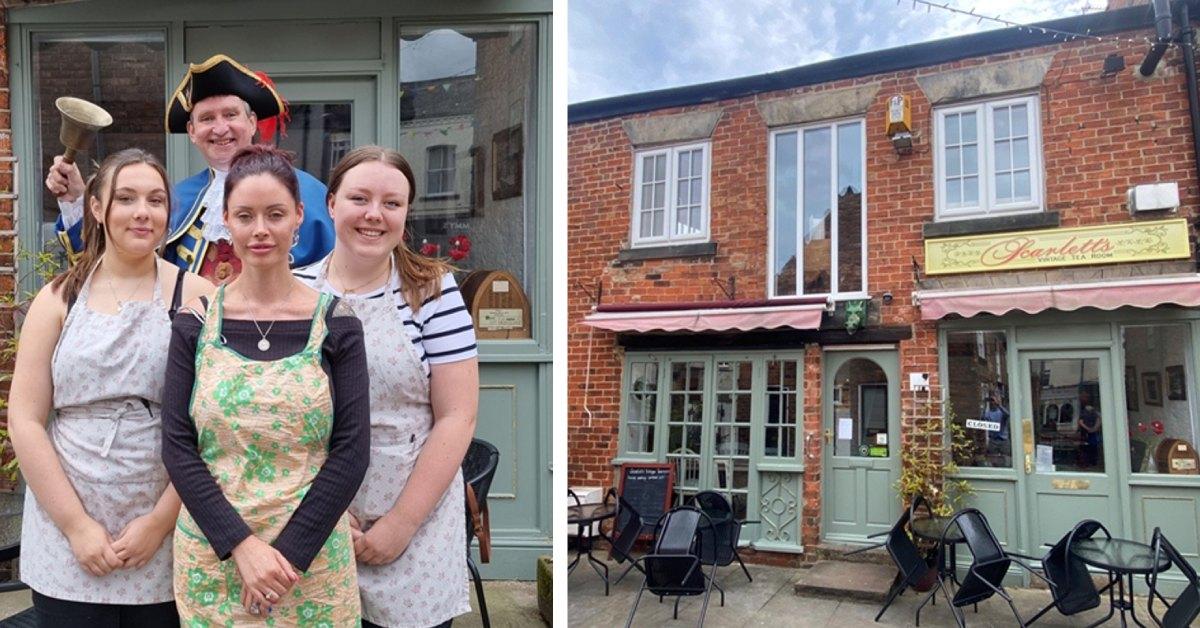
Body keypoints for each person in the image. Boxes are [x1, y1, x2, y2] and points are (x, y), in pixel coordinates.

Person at [161, 145, 369, 625]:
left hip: (312, 563)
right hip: (215, 561)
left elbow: (352, 451)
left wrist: (287, 559)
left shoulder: (337, 325)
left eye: (275, 214)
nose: (260, 230)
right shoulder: (194, 324)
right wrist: (243, 548)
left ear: (298, 216)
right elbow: (177, 446)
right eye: (245, 215)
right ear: (225, 221)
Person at [8, 148, 211, 626]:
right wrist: (77, 526)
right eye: (126, 198)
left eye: (156, 200)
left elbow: (212, 423)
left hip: (164, 519)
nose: (143, 212)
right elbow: (26, 419)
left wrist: (160, 522)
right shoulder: (58, 298)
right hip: (67, 524)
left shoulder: (198, 296)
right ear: (97, 209)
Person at [294, 146, 479, 628]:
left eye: (392, 203)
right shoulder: (295, 294)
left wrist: (400, 526)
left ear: (406, 213)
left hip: (412, 524)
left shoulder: (434, 294)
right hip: (311, 518)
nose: (375, 215)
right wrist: (328, 515)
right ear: (331, 204)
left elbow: (457, 416)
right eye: (360, 198)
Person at [46, 53, 334, 283]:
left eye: (230, 114)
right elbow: (113, 271)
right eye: (207, 118)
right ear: (192, 131)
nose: (220, 128)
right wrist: (76, 200)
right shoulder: (176, 199)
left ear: (252, 122)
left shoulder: (306, 192)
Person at [1077, 391, 1102, 467]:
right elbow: (1099, 420)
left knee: (1087, 447)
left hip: (1087, 433)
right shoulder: (1094, 412)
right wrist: (1094, 428)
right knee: (1092, 447)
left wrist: (1088, 429)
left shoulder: (1084, 412)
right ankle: (1092, 461)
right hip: (1091, 432)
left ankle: (1087, 462)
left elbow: (1080, 422)